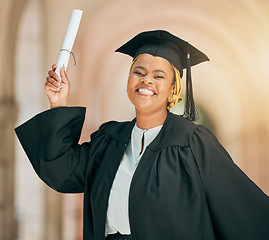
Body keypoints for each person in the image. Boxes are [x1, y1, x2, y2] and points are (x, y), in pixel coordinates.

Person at [15, 30, 269, 240]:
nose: (147, 80)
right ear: (129, 81)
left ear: (172, 90)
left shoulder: (192, 143)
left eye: (159, 76)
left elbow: (241, 207)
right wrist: (58, 104)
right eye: (139, 72)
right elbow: (61, 171)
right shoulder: (109, 139)